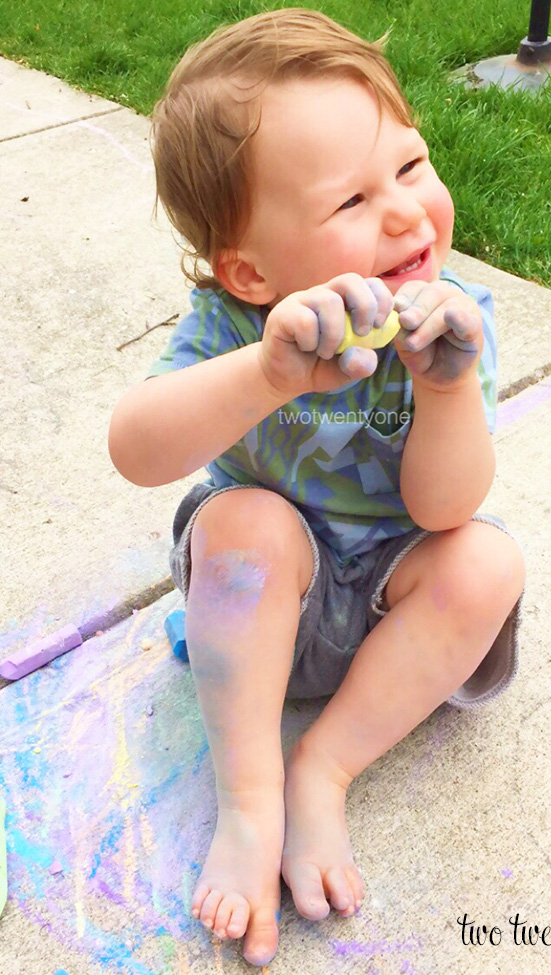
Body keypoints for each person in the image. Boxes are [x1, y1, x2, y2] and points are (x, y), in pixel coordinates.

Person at [108, 7, 526, 967]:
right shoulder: (234, 329)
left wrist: (447, 387)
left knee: (487, 559)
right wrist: (265, 375)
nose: (407, 213)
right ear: (249, 270)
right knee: (245, 517)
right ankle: (250, 800)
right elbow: (136, 448)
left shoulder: (454, 323)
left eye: (412, 168)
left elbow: (443, 511)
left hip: (392, 611)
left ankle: (322, 769)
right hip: (259, 612)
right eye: (350, 203)